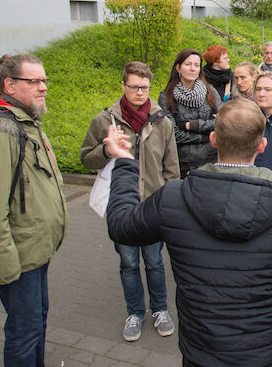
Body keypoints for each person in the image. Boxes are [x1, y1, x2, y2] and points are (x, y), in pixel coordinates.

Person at [104, 99, 272, 366]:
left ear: (213, 139)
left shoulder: (174, 197)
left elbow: (120, 226)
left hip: (201, 351)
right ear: (261, 145)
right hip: (267, 352)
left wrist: (124, 162)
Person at [0, 54, 68, 366]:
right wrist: (7, 267)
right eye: (33, 81)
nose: (43, 87)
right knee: (24, 335)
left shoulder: (25, 122)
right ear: (9, 85)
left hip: (35, 252)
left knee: (35, 326)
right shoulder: (0, 130)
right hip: (19, 259)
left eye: (44, 81)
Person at [80, 61, 178, 342]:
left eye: (145, 87)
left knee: (155, 263)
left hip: (152, 207)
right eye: (134, 87)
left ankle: (159, 309)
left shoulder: (162, 122)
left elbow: (171, 168)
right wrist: (107, 150)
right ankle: (135, 312)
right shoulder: (104, 121)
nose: (140, 92)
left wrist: (169, 203)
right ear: (123, 86)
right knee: (128, 263)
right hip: (121, 207)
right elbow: (87, 158)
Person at [159, 49, 222, 177]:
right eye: (188, 64)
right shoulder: (166, 97)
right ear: (178, 68)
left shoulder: (211, 92)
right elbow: (172, 133)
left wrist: (194, 125)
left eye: (196, 65)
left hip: (211, 160)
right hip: (181, 163)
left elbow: (223, 122)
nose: (192, 69)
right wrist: (203, 136)